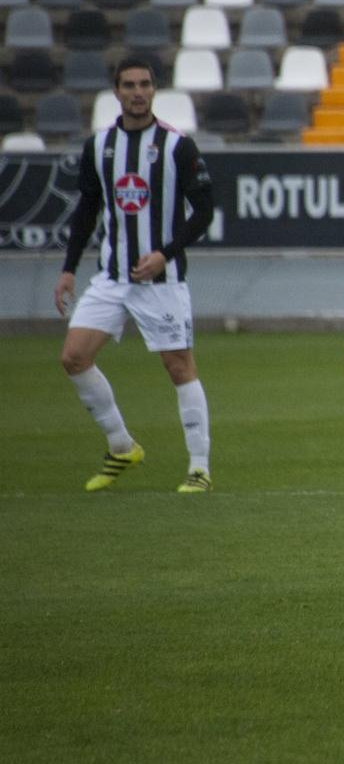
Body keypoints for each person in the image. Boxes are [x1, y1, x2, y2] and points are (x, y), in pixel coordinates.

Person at [55, 57, 215, 494]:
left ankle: (199, 468)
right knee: (74, 357)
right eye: (129, 85)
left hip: (161, 281)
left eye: (144, 84)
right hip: (112, 277)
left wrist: (165, 253)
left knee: (179, 367)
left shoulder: (177, 146)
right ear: (117, 92)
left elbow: (204, 210)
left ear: (154, 90)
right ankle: (122, 445)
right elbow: (87, 209)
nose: (138, 92)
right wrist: (68, 268)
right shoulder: (99, 146)